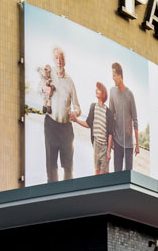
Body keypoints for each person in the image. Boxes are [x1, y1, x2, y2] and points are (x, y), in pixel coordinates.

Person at [43, 48, 81, 181]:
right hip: (51, 125)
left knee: (68, 166)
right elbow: (38, 89)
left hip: (66, 128)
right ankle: (51, 196)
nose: (59, 61)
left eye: (61, 58)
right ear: (53, 60)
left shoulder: (70, 81)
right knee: (51, 165)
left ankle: (68, 197)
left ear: (64, 61)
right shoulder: (48, 76)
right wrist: (44, 89)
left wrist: (75, 113)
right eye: (56, 58)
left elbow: (77, 107)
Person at [108, 62, 139, 172]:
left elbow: (135, 120)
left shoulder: (129, 95)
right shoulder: (112, 92)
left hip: (129, 144)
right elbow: (110, 117)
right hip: (117, 142)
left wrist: (137, 144)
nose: (112, 78)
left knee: (128, 175)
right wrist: (110, 140)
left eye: (114, 75)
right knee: (117, 175)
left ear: (120, 76)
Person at [83, 81, 111, 175]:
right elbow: (88, 124)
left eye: (98, 89)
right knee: (96, 174)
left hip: (105, 146)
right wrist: (75, 120)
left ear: (103, 93)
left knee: (103, 176)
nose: (96, 90)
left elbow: (110, 133)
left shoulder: (108, 112)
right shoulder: (93, 106)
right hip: (96, 144)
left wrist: (108, 151)